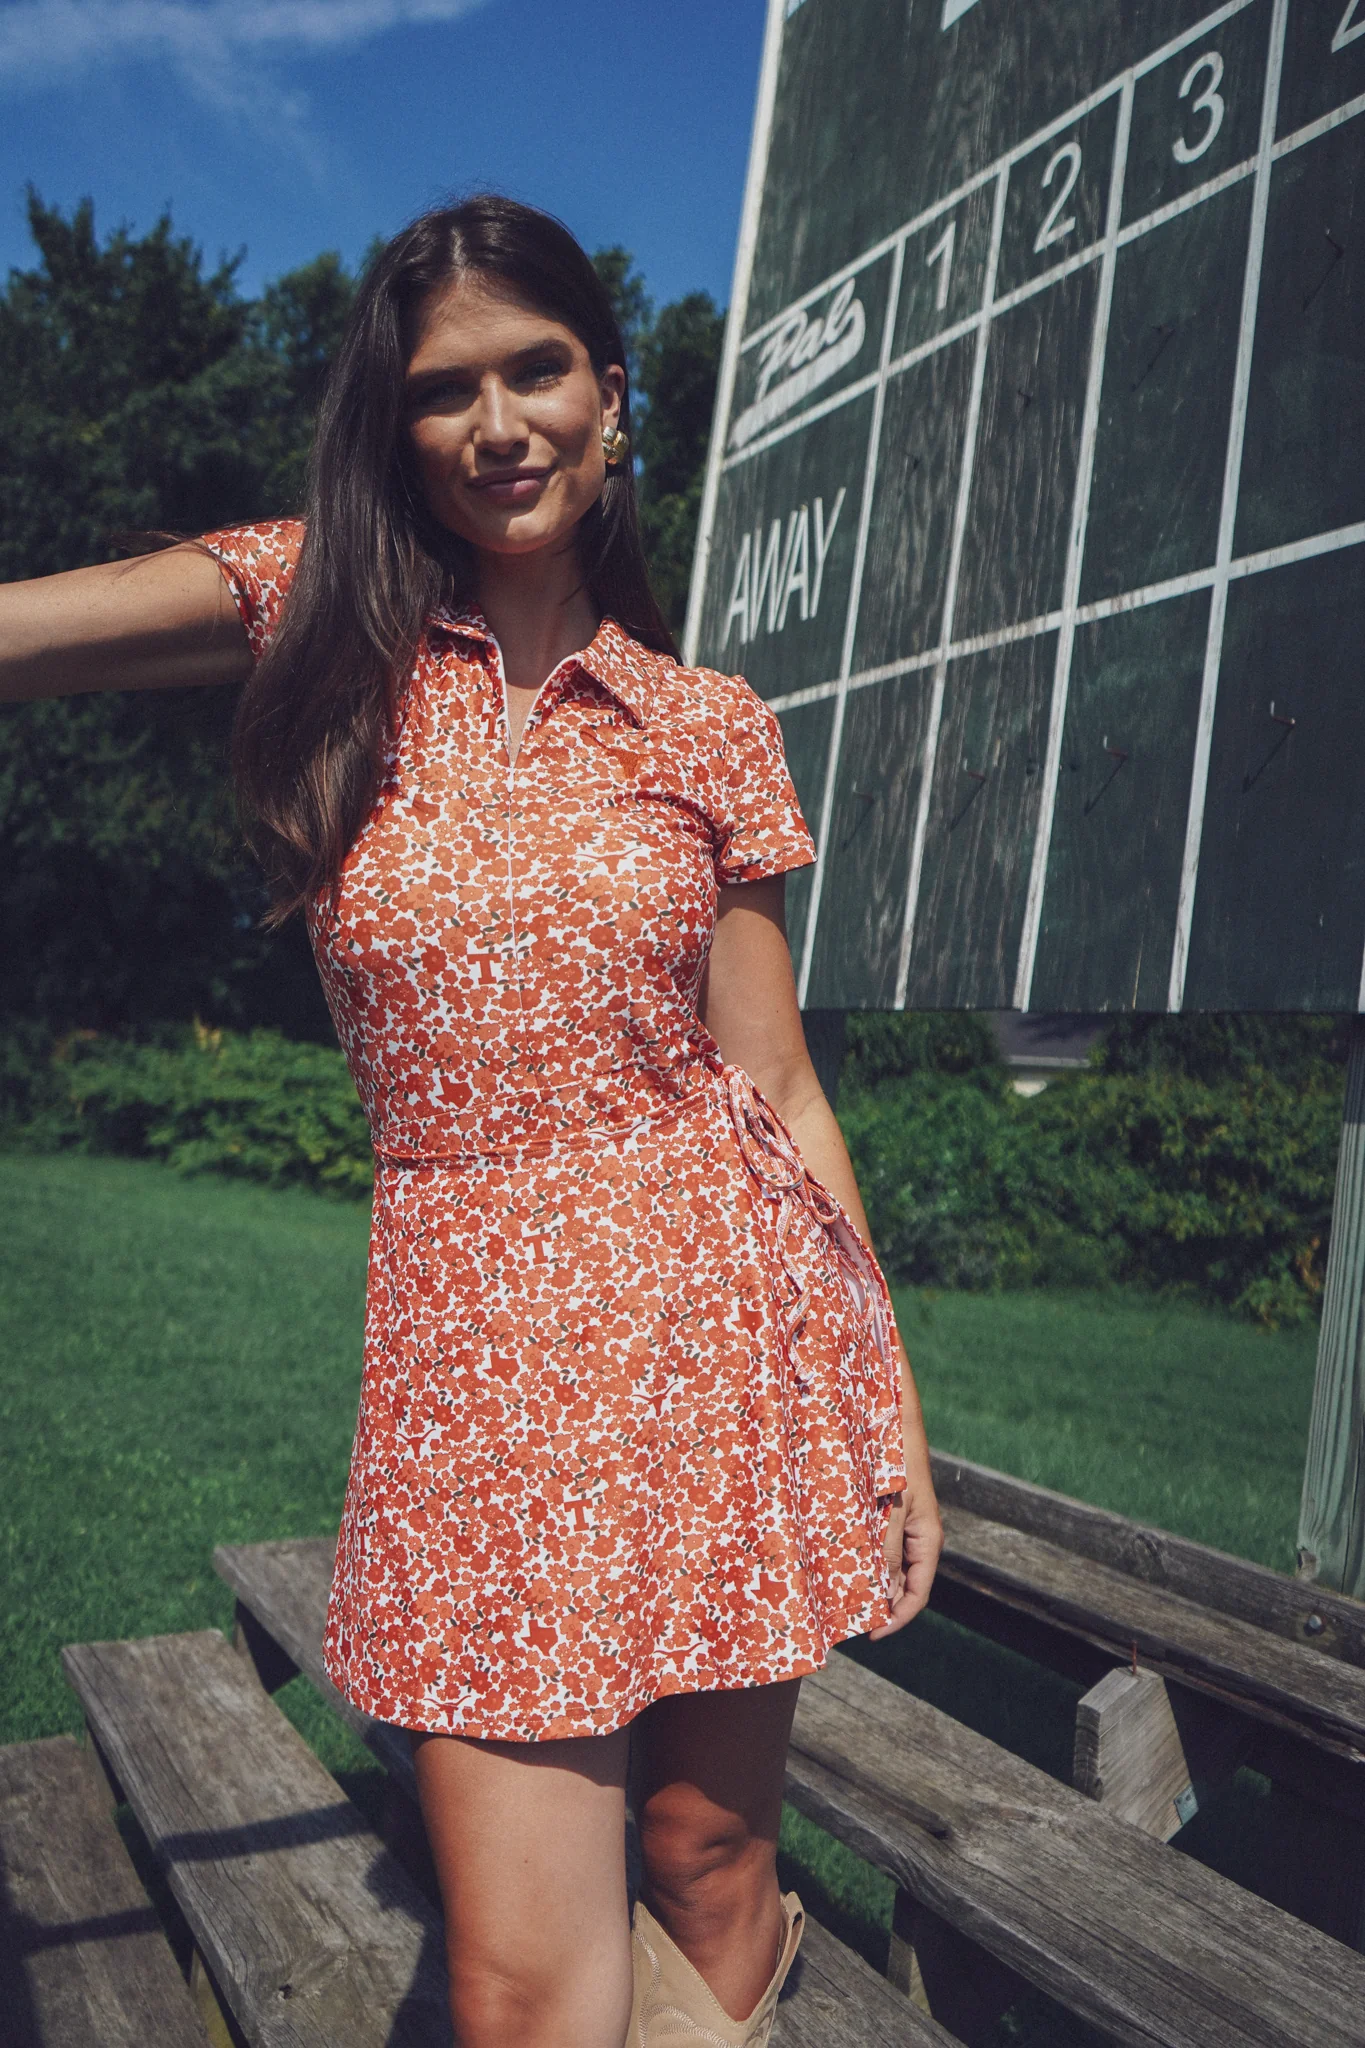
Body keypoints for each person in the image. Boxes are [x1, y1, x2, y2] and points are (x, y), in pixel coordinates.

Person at [0, 195, 943, 2048]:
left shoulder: (705, 721)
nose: (500, 424)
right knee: (519, 1984)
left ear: (611, 393)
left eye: (540, 371)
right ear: (396, 426)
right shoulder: (323, 624)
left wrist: (885, 1399)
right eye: (448, 392)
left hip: (720, 1321)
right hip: (475, 1353)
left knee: (705, 1860)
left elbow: (775, 1085)